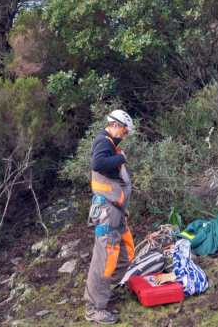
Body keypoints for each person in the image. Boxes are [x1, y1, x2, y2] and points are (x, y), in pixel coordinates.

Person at [84, 109, 136, 324]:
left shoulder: (108, 144)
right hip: (106, 212)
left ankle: (103, 290)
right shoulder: (104, 142)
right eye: (124, 132)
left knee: (125, 253)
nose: (124, 137)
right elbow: (97, 164)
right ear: (114, 125)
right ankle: (94, 308)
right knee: (105, 260)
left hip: (115, 211)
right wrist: (120, 157)